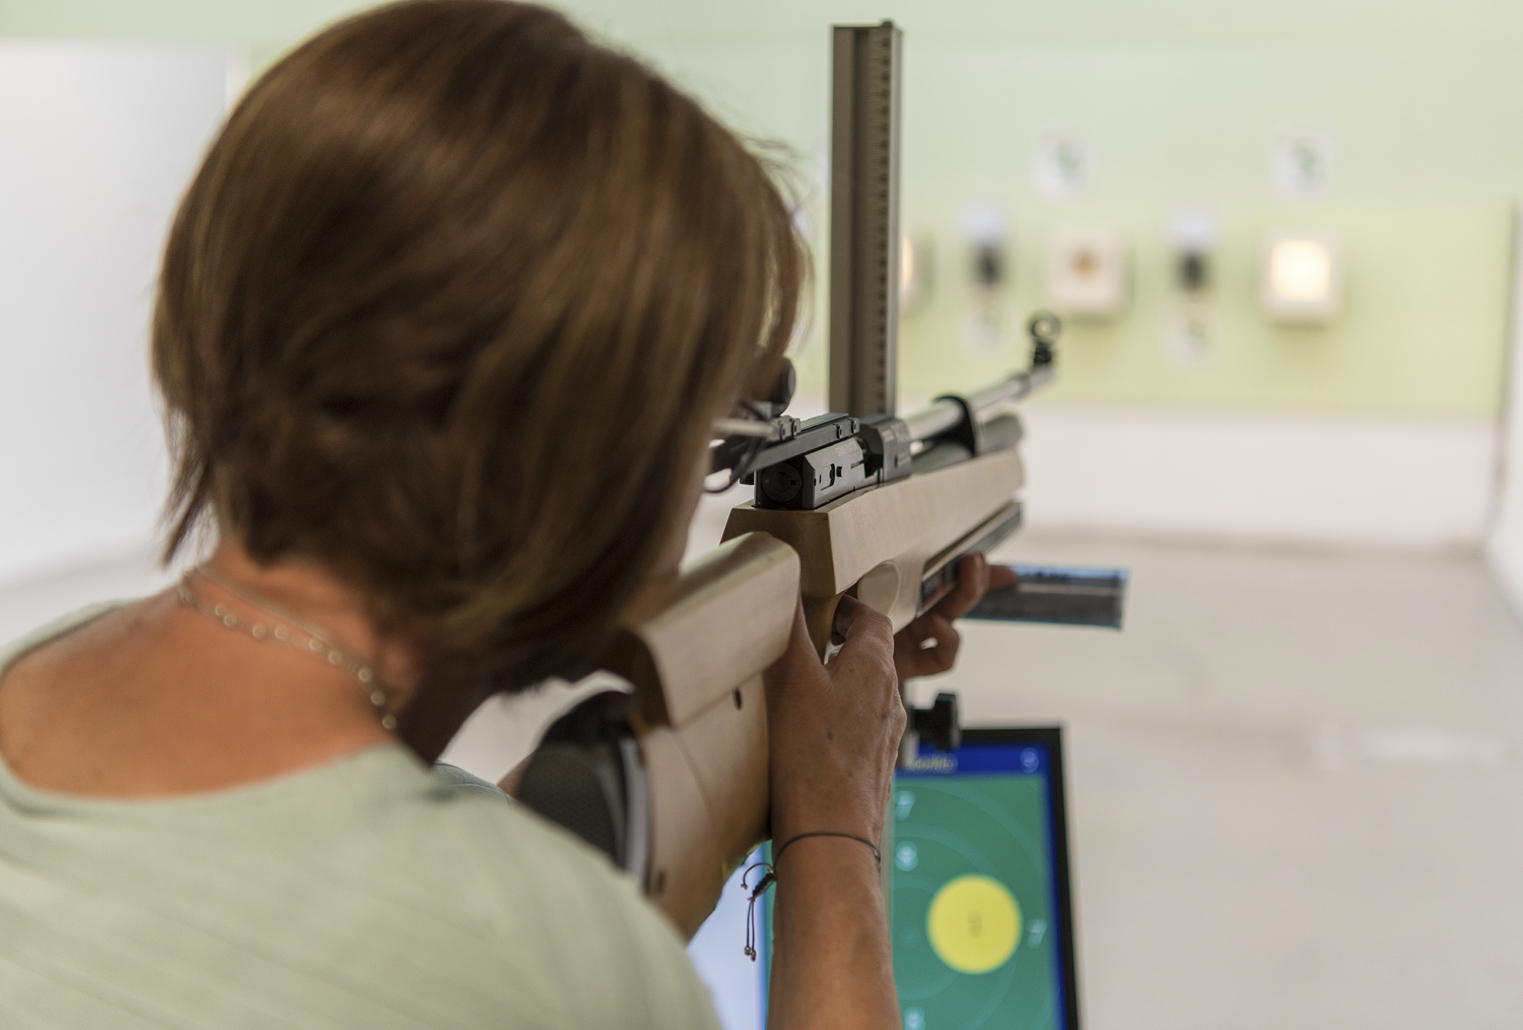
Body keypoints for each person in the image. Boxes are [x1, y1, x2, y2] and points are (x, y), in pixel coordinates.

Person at [0, 2, 1013, 1026]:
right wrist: (836, 826)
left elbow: (308, 875)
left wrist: (749, 758)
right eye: (710, 440)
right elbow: (452, 933)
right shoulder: (543, 960)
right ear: (583, 453)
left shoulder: (36, 679)